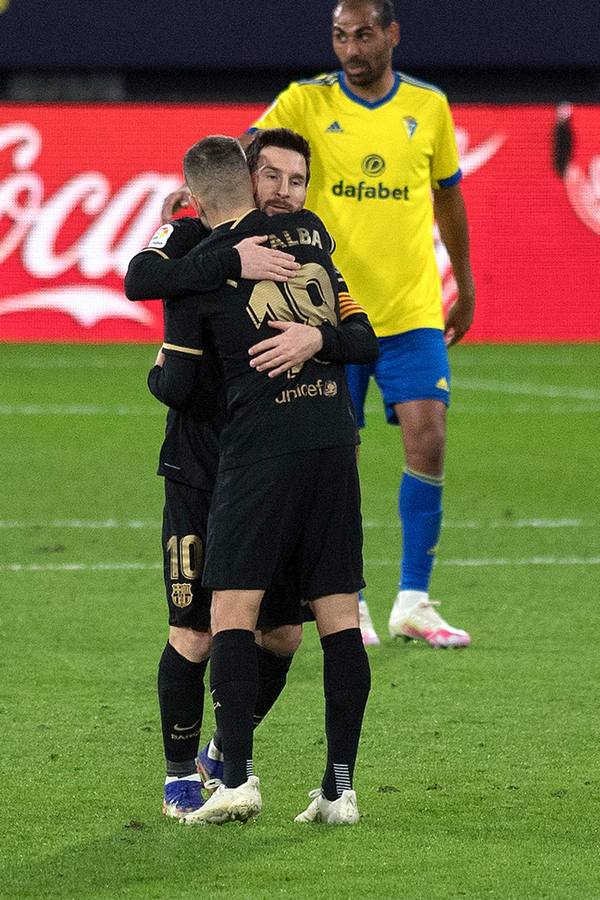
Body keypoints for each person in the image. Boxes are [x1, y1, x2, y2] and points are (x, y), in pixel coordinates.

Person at [163, 0, 476, 649]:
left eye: (363, 35)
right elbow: (246, 155)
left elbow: (448, 193)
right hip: (325, 309)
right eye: (340, 36)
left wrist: (465, 282)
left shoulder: (430, 107)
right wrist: (201, 203)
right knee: (338, 455)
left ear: (391, 34)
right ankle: (349, 600)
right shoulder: (305, 102)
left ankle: (413, 599)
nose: (351, 48)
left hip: (411, 306)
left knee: (429, 435)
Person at [126, 129, 377, 823]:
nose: (283, 191)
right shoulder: (188, 243)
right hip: (201, 468)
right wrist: (220, 254)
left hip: (268, 456)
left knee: (283, 635)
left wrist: (316, 337)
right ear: (247, 177)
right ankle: (182, 774)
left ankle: (226, 758)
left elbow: (359, 334)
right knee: (197, 630)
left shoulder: (304, 246)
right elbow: (139, 279)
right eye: (272, 176)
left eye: (296, 181)